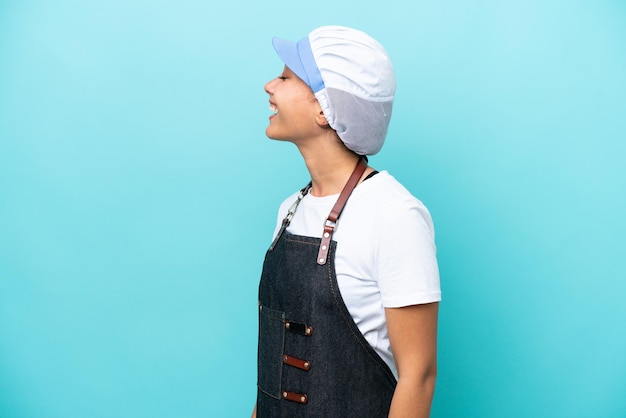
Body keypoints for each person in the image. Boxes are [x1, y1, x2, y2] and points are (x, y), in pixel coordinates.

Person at [253, 25, 441, 418]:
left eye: (286, 77)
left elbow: (418, 376)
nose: (269, 85)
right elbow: (274, 371)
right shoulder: (290, 209)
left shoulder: (394, 215)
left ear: (325, 108)